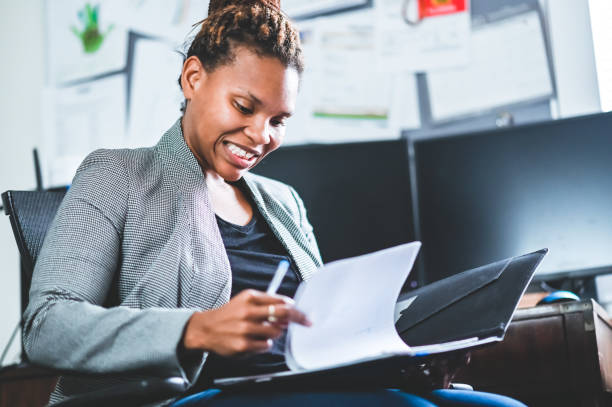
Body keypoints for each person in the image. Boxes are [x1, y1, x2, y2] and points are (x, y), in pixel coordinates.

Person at [23, 0, 527, 406]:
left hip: (294, 387)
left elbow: (323, 332)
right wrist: (196, 328)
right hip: (189, 395)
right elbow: (47, 325)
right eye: (244, 106)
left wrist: (403, 356)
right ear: (193, 78)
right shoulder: (119, 175)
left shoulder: (283, 202)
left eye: (279, 119)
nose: (260, 135)